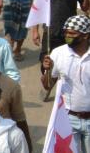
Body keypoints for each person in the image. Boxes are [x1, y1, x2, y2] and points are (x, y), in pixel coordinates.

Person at [41, 15, 90, 152]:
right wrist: (47, 71)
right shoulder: (58, 53)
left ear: (86, 36)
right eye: (66, 32)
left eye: (72, 33)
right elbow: (48, 86)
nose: (67, 36)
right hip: (68, 118)